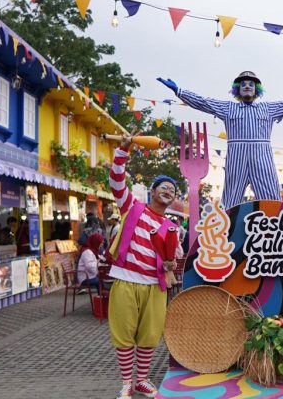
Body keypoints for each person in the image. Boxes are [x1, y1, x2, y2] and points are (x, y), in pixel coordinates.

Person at [158, 72, 283, 208]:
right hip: (236, 158)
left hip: (262, 158)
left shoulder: (268, 108)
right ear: (237, 89)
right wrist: (178, 91)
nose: (247, 86)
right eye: (243, 84)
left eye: (251, 84)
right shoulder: (228, 108)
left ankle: (275, 234)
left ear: (257, 89)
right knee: (230, 200)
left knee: (271, 198)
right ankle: (227, 233)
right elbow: (203, 102)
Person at [106, 131, 180, 399]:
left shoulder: (172, 226)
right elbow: (116, 180)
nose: (168, 191)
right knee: (123, 334)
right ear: (152, 191)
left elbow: (173, 259)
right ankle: (127, 382)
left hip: (154, 285)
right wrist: (123, 150)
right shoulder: (132, 208)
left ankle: (142, 380)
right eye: (164, 187)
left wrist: (171, 263)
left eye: (172, 190)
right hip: (126, 279)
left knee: (150, 335)